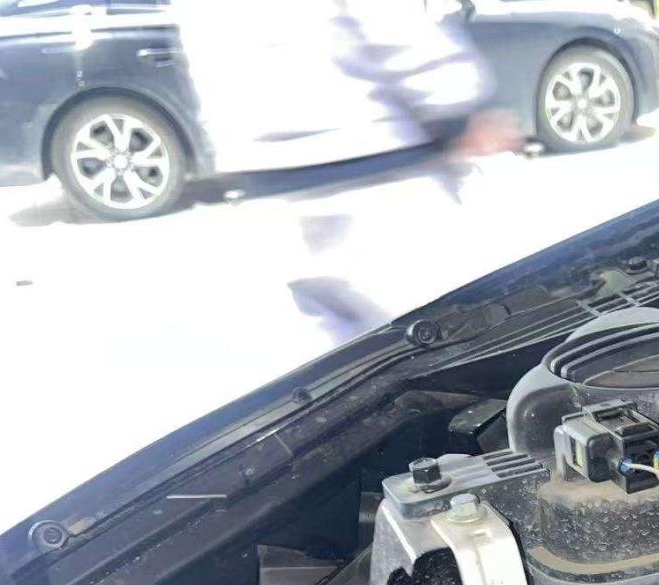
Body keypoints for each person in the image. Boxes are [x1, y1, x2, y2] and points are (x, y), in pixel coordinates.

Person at [173, 0, 521, 338]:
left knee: (348, 349)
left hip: (268, 175)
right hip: (375, 161)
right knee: (452, 328)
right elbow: (393, 29)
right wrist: (459, 113)